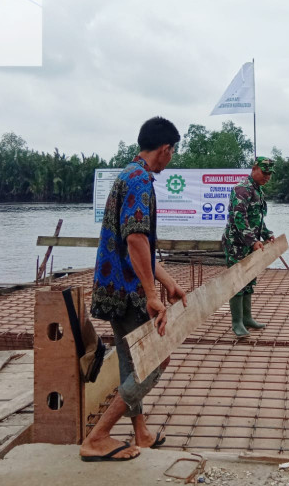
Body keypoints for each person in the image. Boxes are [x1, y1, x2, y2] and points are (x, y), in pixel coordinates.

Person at [80, 117, 188, 462]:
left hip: (113, 287)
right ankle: (98, 437)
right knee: (157, 357)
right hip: (129, 292)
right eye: (173, 151)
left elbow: (137, 244)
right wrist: (152, 295)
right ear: (165, 148)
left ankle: (140, 432)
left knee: (132, 361)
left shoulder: (127, 174)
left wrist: (167, 281)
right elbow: (136, 239)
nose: (171, 157)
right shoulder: (140, 180)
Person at [222, 156, 276, 337]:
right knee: (237, 281)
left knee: (249, 279)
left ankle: (247, 318)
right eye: (264, 173)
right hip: (236, 243)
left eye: (269, 174)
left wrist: (266, 234)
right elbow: (239, 218)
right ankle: (237, 322)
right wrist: (253, 241)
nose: (267, 177)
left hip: (249, 243)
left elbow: (257, 220)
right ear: (254, 169)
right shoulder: (242, 189)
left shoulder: (258, 190)